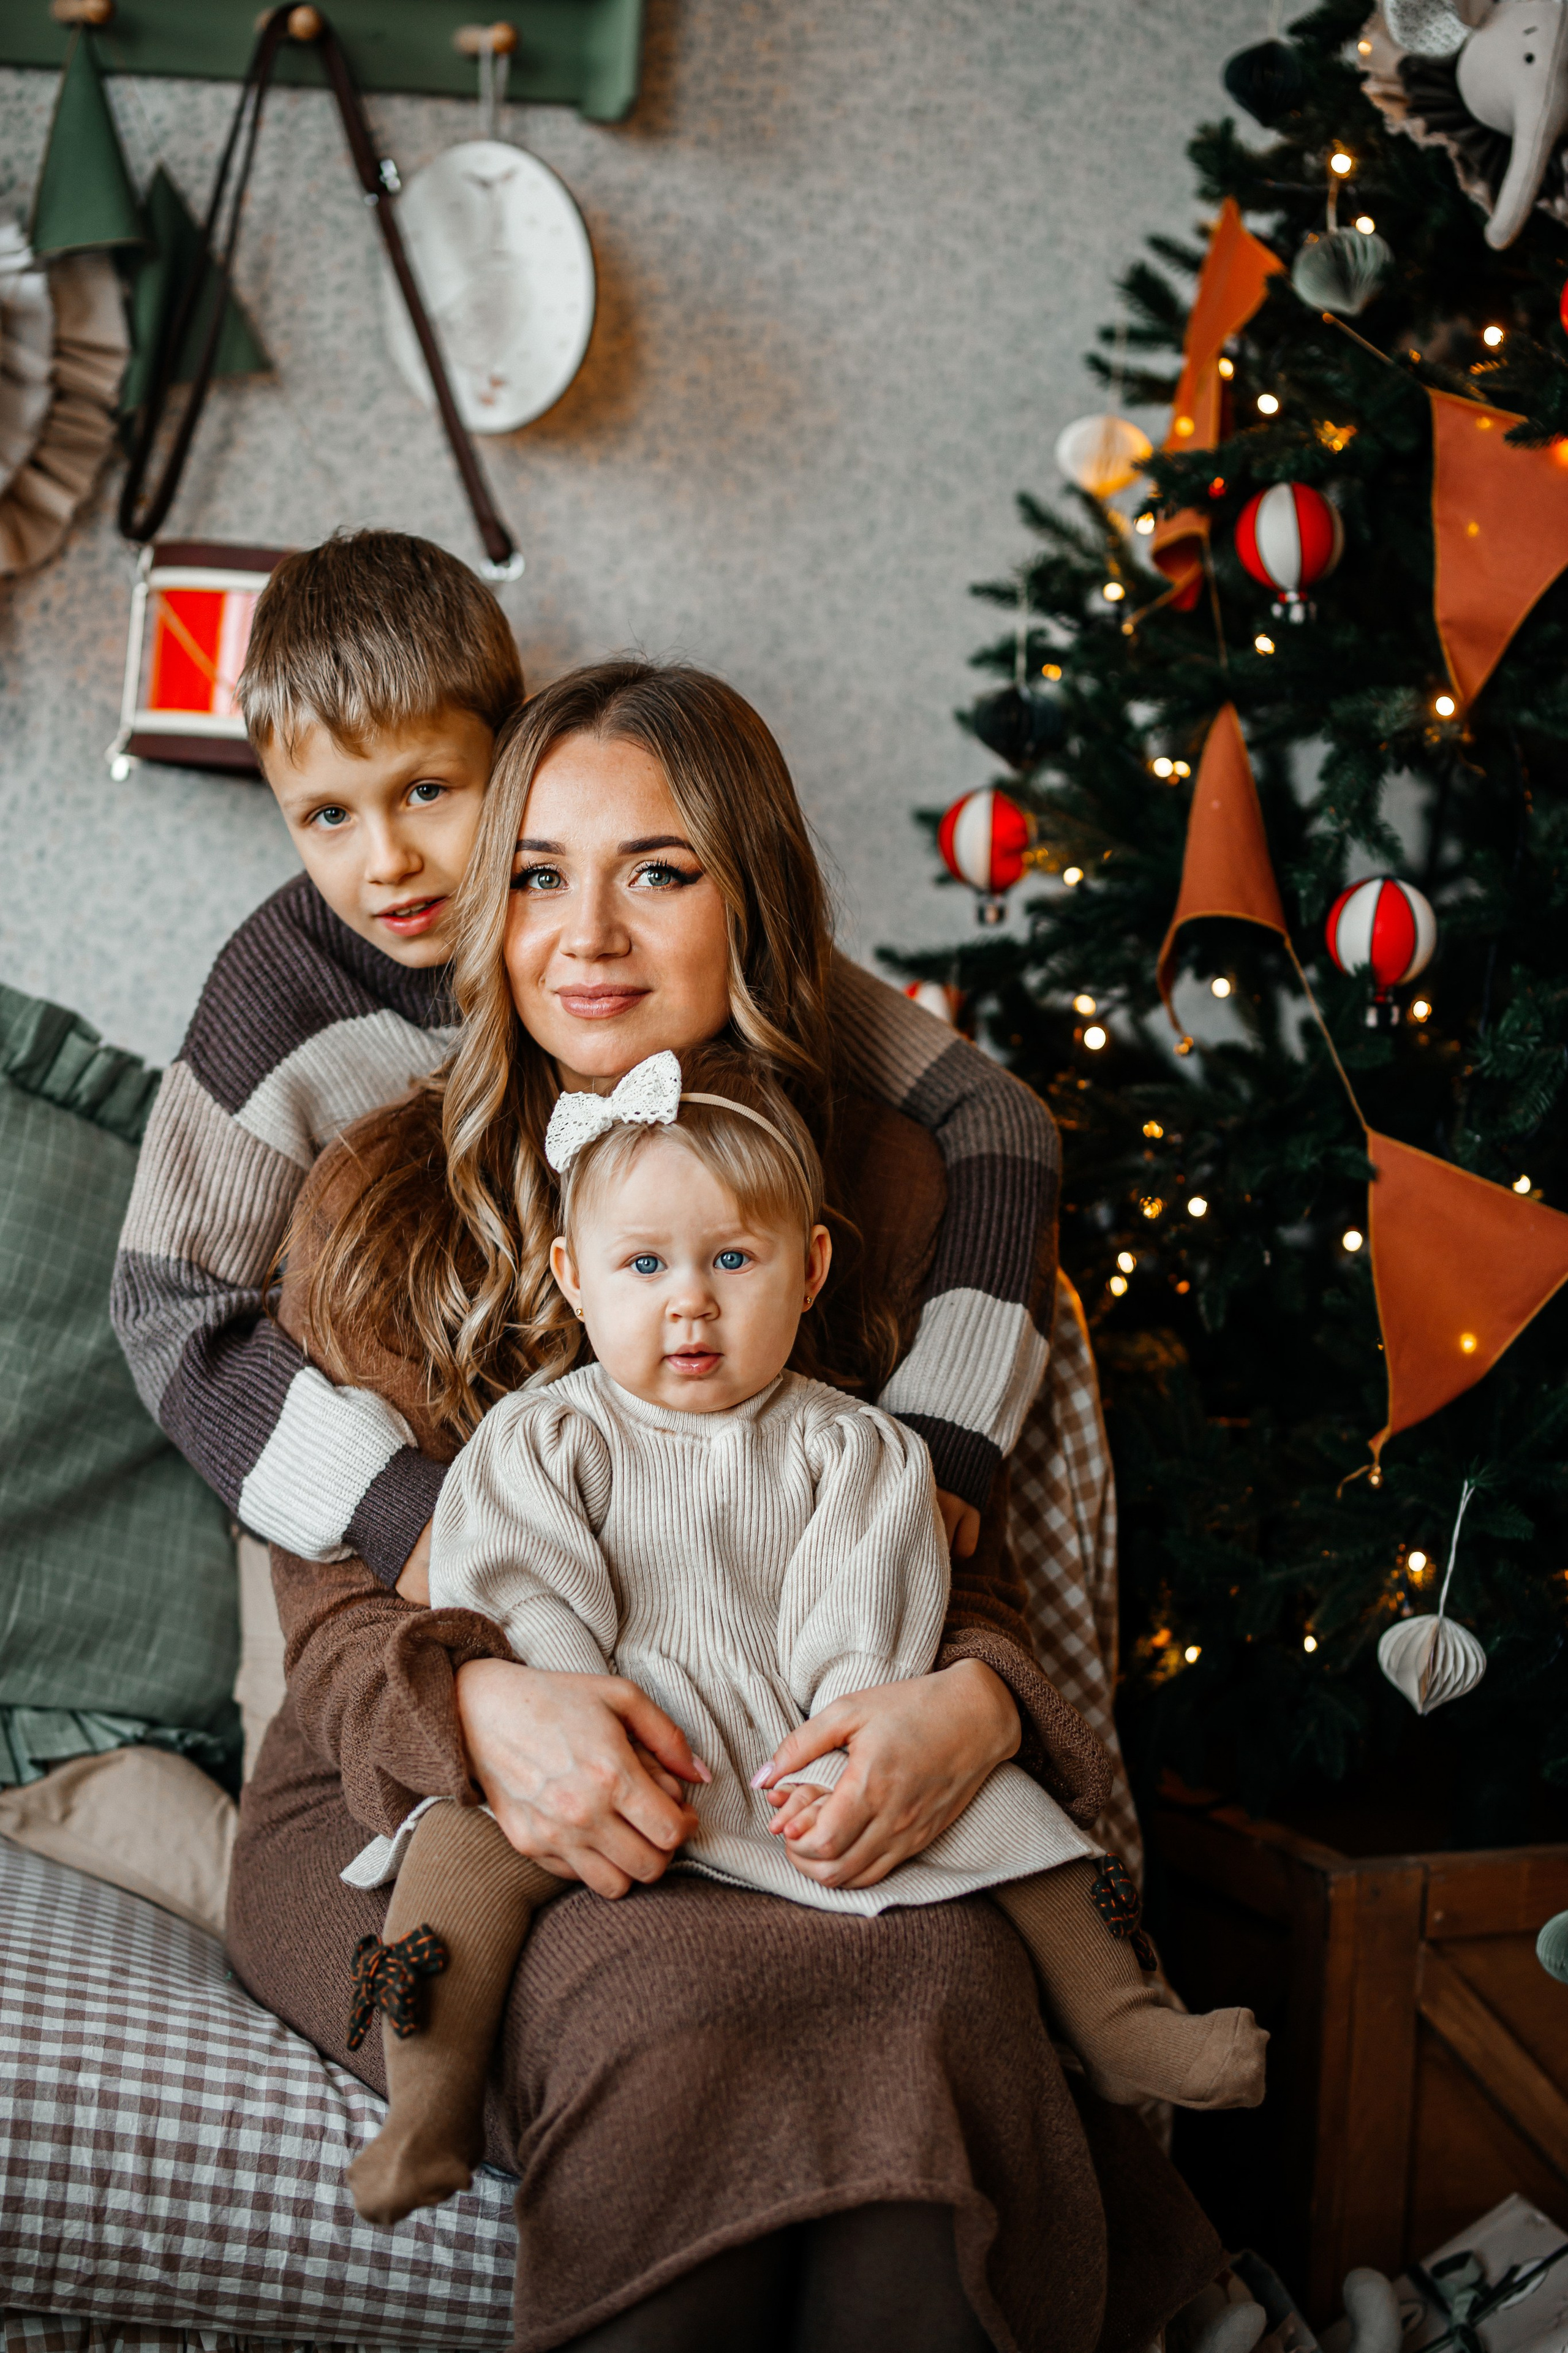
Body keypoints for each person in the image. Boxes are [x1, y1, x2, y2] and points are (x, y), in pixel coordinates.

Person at [227, 660, 1227, 2353]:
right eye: (537, 876)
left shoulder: (884, 1184)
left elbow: (921, 1547)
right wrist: (488, 1712)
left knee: (946, 1988)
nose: (587, 936)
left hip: (781, 1760)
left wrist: (973, 1711)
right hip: (416, 1791)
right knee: (671, 1993)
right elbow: (332, 1629)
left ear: (752, 900)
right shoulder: (382, 1197)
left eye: (658, 871)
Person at [339, 1043, 1265, 2227]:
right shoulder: (544, 1438)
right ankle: (429, 2104)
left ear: (811, 1266)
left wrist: (843, 1748)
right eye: (644, 1264)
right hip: (616, 1753)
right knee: (458, 1849)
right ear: (573, 1275)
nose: (690, 1301)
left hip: (796, 1741)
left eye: (733, 1259)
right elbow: (528, 1596)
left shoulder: (856, 1447)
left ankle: (1128, 2025)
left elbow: (863, 1618)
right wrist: (586, 1719)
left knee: (1019, 1818)